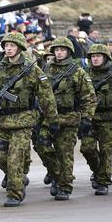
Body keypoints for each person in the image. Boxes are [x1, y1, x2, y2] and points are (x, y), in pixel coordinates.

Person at [0, 33, 58, 207]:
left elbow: (46, 96)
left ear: (20, 48)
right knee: (1, 157)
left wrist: (52, 119)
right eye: (6, 45)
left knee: (15, 158)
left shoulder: (31, 69)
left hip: (23, 120)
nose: (8, 48)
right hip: (2, 120)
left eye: (12, 46)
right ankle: (19, 178)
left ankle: (15, 193)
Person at [43, 37, 96, 201]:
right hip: (48, 117)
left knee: (64, 153)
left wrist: (87, 118)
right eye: (56, 50)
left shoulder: (77, 71)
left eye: (62, 50)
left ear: (68, 52)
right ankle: (57, 177)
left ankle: (64, 187)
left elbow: (89, 97)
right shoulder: (47, 69)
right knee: (42, 146)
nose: (59, 53)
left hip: (69, 118)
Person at [81, 44, 112, 195]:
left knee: (107, 151)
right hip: (90, 118)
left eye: (98, 56)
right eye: (93, 56)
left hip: (108, 119)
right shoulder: (85, 74)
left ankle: (103, 182)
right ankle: (99, 171)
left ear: (105, 57)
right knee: (87, 148)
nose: (95, 58)